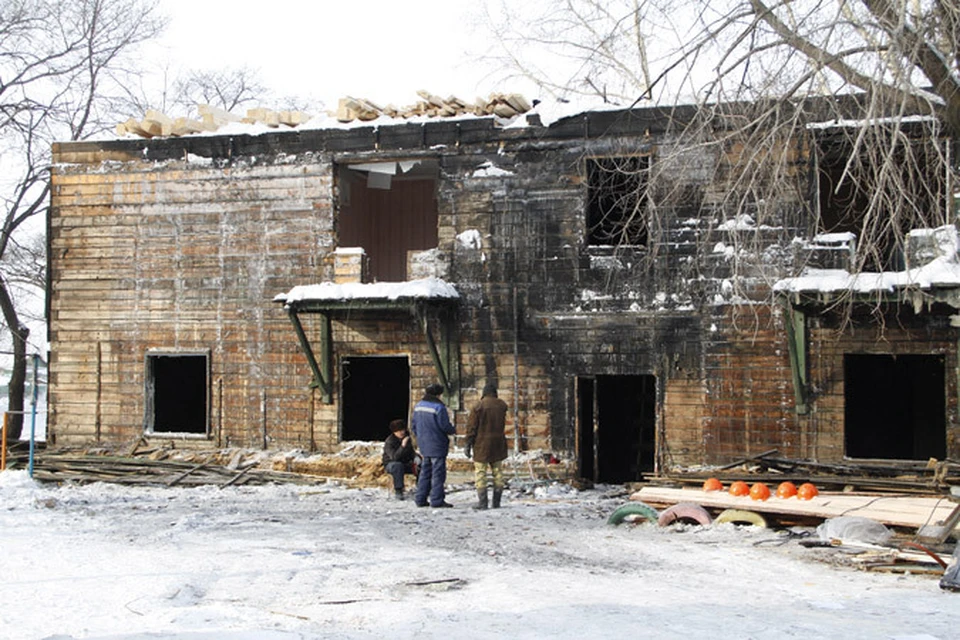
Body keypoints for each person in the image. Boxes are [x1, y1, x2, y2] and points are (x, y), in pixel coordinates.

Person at [411, 382, 456, 508]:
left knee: (425, 472)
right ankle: (437, 500)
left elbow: (413, 426)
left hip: (424, 445)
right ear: (438, 394)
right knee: (438, 473)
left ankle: (420, 498)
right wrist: (453, 430)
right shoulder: (439, 408)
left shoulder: (418, 406)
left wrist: (421, 437)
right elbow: (444, 426)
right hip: (437, 444)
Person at [465, 382, 509, 509]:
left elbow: (472, 427)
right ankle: (497, 502)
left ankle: (483, 503)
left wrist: (468, 443)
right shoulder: (502, 405)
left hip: (481, 444)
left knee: (480, 473)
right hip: (498, 443)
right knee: (498, 472)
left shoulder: (478, 406)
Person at [382, 419, 417, 500]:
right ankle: (398, 490)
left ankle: (423, 487)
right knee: (398, 465)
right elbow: (394, 457)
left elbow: (411, 452)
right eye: (398, 431)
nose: (401, 433)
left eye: (402, 430)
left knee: (421, 464)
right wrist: (402, 446)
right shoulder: (390, 441)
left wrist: (416, 457)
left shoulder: (407, 438)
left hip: (405, 463)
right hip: (391, 464)